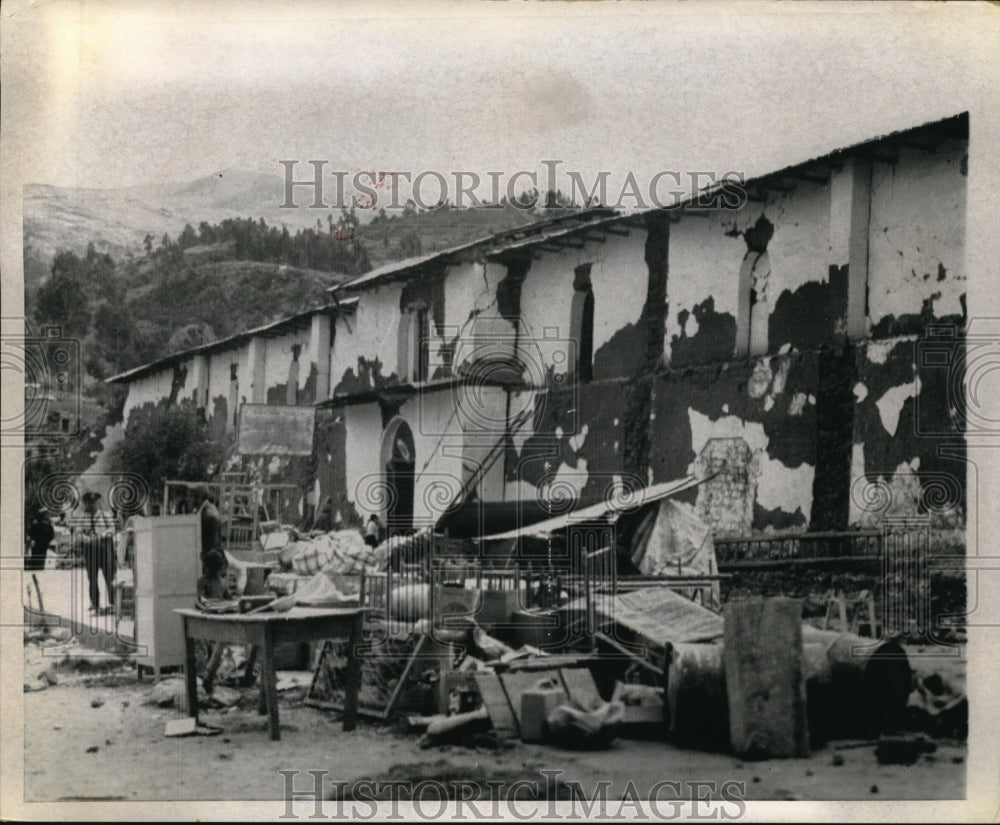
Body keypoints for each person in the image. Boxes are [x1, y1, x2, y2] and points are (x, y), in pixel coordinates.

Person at [80, 492, 115, 614]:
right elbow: (79, 533)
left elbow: (112, 529)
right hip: (90, 551)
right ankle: (95, 604)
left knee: (110, 577)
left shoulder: (105, 515)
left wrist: (103, 535)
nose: (91, 505)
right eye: (89, 502)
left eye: (93, 502)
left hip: (105, 549)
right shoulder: (83, 518)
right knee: (92, 579)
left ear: (98, 502)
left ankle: (113, 603)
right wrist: (86, 539)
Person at [26, 507, 55, 571]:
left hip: (36, 547)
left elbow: (29, 536)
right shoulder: (48, 526)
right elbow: (52, 536)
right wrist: (46, 541)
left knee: (34, 564)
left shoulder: (35, 526)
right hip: (44, 547)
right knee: (41, 563)